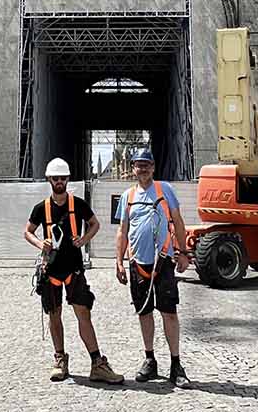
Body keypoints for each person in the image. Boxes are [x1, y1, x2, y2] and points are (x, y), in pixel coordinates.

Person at [22, 157, 123, 384]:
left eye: (63, 178)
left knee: (83, 314)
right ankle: (60, 360)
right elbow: (27, 231)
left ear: (68, 180)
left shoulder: (78, 204)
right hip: (52, 270)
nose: (59, 182)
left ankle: (97, 363)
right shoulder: (41, 208)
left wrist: (84, 239)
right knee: (54, 314)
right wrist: (41, 244)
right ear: (49, 179)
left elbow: (95, 223)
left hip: (74, 268)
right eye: (56, 178)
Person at [114, 148, 191, 388]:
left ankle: (176, 364)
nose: (143, 168)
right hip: (139, 263)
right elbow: (122, 231)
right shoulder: (127, 196)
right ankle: (150, 360)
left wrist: (183, 253)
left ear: (153, 167)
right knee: (144, 312)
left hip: (164, 262)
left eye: (147, 164)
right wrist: (118, 261)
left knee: (169, 312)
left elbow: (178, 222)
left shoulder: (165, 190)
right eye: (138, 164)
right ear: (133, 169)